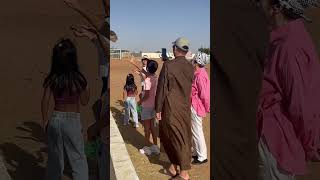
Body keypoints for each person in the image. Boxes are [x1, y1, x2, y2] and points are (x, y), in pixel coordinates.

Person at [257, 0, 320, 179]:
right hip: (272, 140)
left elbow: (304, 107)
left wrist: (311, 146)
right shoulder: (281, 39)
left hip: (276, 145)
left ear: (276, 8)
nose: (256, 5)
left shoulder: (290, 46)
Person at [41, 39, 90, 180]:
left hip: (55, 118)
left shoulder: (52, 78)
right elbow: (85, 101)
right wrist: (87, 88)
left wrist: (45, 121)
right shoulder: (78, 79)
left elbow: (45, 101)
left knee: (55, 161)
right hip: (72, 120)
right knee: (78, 160)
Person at [155, 37, 194, 180]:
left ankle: (184, 173)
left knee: (177, 138)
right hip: (184, 107)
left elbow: (161, 89)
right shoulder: (191, 66)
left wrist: (158, 109)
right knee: (175, 136)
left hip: (171, 107)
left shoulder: (168, 65)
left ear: (175, 49)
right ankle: (173, 167)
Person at [190, 52, 210, 165]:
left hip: (197, 106)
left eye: (194, 60)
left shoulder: (200, 75)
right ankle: (197, 153)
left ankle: (202, 156)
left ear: (197, 62)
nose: (192, 61)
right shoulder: (198, 73)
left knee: (197, 131)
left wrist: (206, 107)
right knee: (195, 131)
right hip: (194, 104)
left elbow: (205, 95)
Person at [138, 60, 160, 156]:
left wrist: (139, 102)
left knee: (147, 129)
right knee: (153, 127)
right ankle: (155, 146)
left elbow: (146, 95)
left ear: (147, 68)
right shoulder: (155, 77)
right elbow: (146, 73)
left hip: (146, 106)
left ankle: (147, 148)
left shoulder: (147, 80)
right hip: (153, 106)